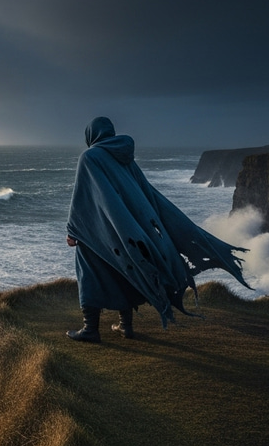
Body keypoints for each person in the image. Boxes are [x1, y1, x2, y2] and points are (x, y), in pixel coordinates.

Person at [65, 117, 250, 342]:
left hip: (98, 233)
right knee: (124, 271)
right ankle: (126, 326)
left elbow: (83, 199)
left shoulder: (89, 157)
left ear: (90, 135)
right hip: (127, 231)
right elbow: (144, 194)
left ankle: (90, 329)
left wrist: (73, 230)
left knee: (89, 275)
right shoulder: (125, 158)